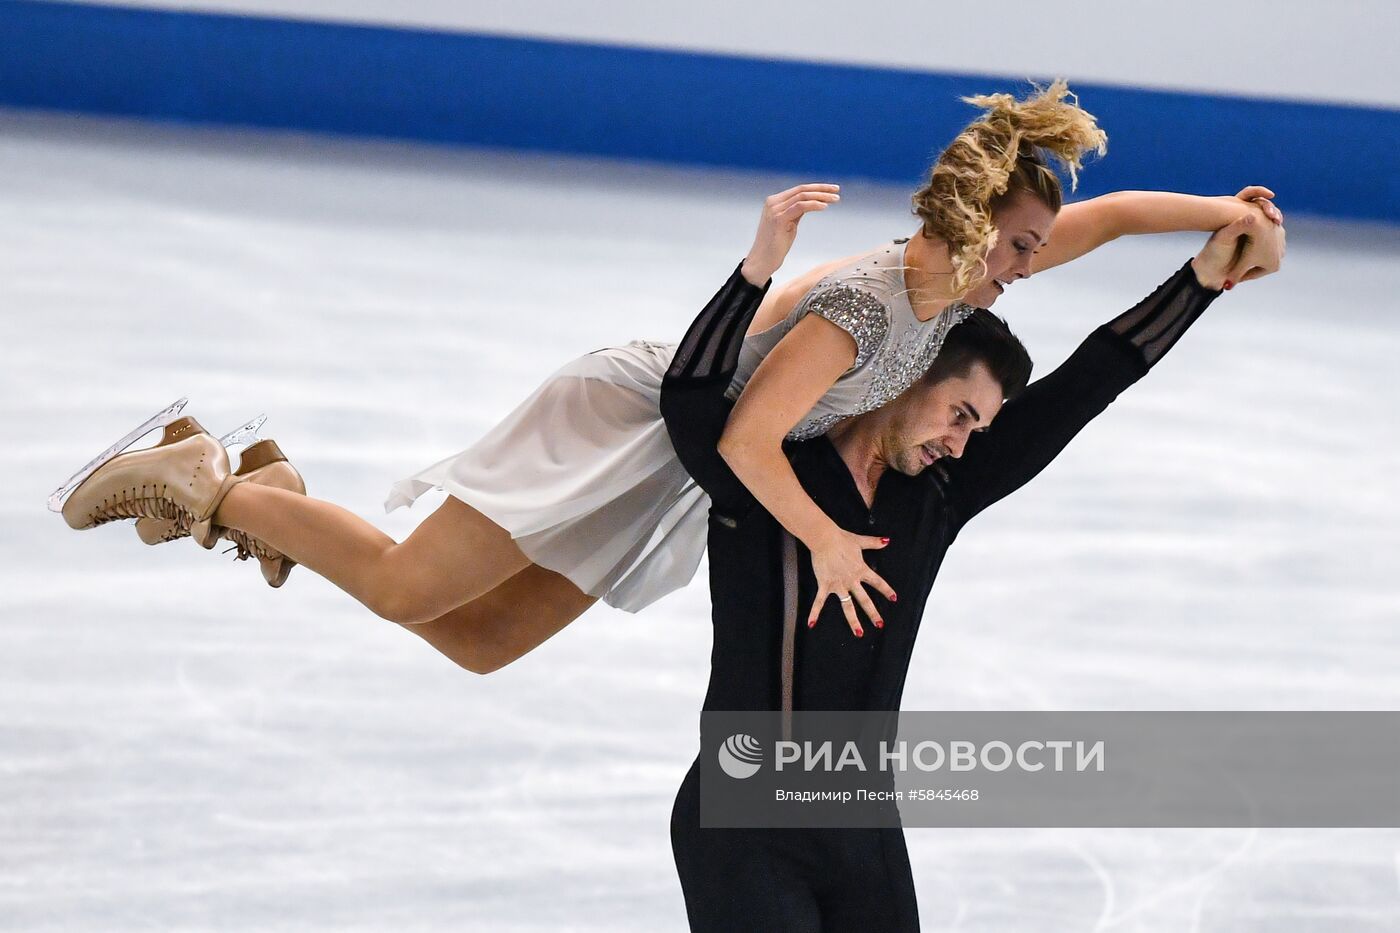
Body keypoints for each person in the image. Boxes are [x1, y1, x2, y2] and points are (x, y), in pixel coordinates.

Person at [51, 82, 1282, 675]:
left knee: (478, 644)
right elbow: (747, 444)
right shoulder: (866, 308)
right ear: (972, 227)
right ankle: (215, 479)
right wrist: (831, 544)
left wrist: (1224, 217)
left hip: (671, 476)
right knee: (404, 587)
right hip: (634, 425)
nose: (1029, 268)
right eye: (1018, 246)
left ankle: (269, 497)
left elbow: (1113, 213)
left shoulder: (957, 282)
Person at [659, 201, 1284, 929]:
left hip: (859, 827)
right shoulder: (767, 474)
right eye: (959, 413)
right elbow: (689, 393)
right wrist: (755, 273)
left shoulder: (940, 495)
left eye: (978, 427)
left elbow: (1089, 381)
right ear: (907, 374)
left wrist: (1201, 281)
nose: (962, 443)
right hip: (740, 824)